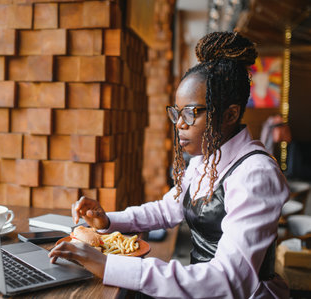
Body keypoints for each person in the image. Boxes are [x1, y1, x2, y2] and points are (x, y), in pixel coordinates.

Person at [48, 31, 290, 298]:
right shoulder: (204, 159)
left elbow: (229, 280)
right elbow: (166, 210)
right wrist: (107, 220)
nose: (179, 124)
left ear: (230, 114)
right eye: (177, 112)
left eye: (191, 113)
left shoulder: (255, 174)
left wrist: (108, 265)